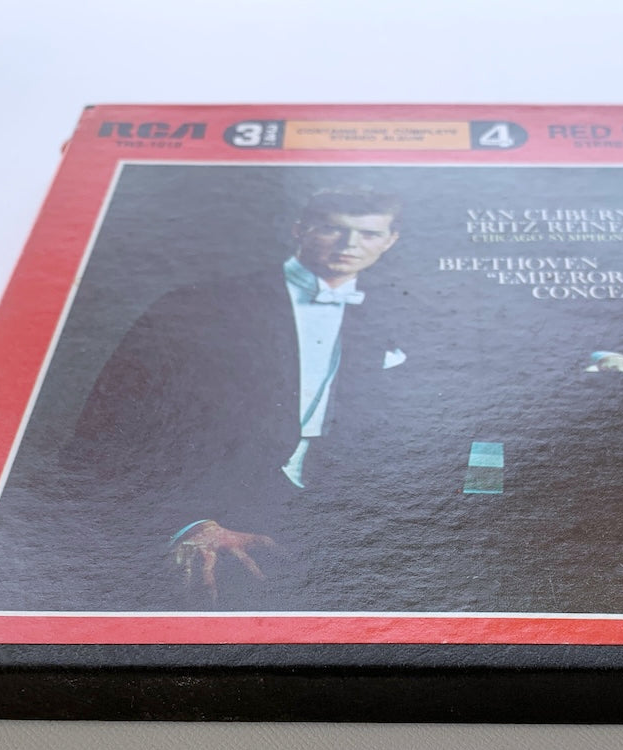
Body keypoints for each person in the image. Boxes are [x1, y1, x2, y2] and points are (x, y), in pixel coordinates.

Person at [60, 186, 437, 610]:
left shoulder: (404, 312)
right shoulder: (199, 306)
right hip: (210, 511)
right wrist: (185, 522)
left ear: (390, 240)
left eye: (368, 234)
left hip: (342, 516)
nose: (350, 245)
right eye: (333, 229)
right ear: (300, 229)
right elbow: (106, 430)